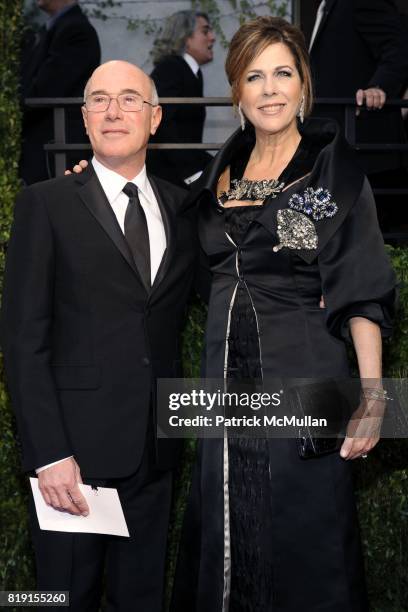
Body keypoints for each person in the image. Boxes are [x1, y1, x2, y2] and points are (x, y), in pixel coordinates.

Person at [171, 16, 396, 612]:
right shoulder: (221, 171)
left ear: (303, 86)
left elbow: (361, 292)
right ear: (237, 93)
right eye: (254, 76)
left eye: (282, 74)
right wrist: (90, 175)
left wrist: (373, 398)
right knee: (225, 540)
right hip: (223, 392)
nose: (270, 89)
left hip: (305, 383)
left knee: (308, 545)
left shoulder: (333, 172)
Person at [1, 60, 197, 611]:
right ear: (85, 118)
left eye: (130, 99)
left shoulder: (182, 208)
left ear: (154, 118)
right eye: (99, 100)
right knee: (62, 600)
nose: (114, 111)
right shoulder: (46, 204)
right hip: (73, 462)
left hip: (155, 456)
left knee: (142, 601)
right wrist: (49, 453)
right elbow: (24, 339)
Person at [20, 0, 100, 184]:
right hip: (44, 143)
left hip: (57, 144)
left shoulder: (75, 31)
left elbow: (46, 89)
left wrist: (15, 114)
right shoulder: (52, 28)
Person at [148, 10, 216, 187]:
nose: (212, 37)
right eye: (205, 31)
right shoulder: (171, 68)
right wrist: (192, 173)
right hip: (168, 176)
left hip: (180, 170)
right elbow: (162, 122)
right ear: (186, 38)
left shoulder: (190, 71)